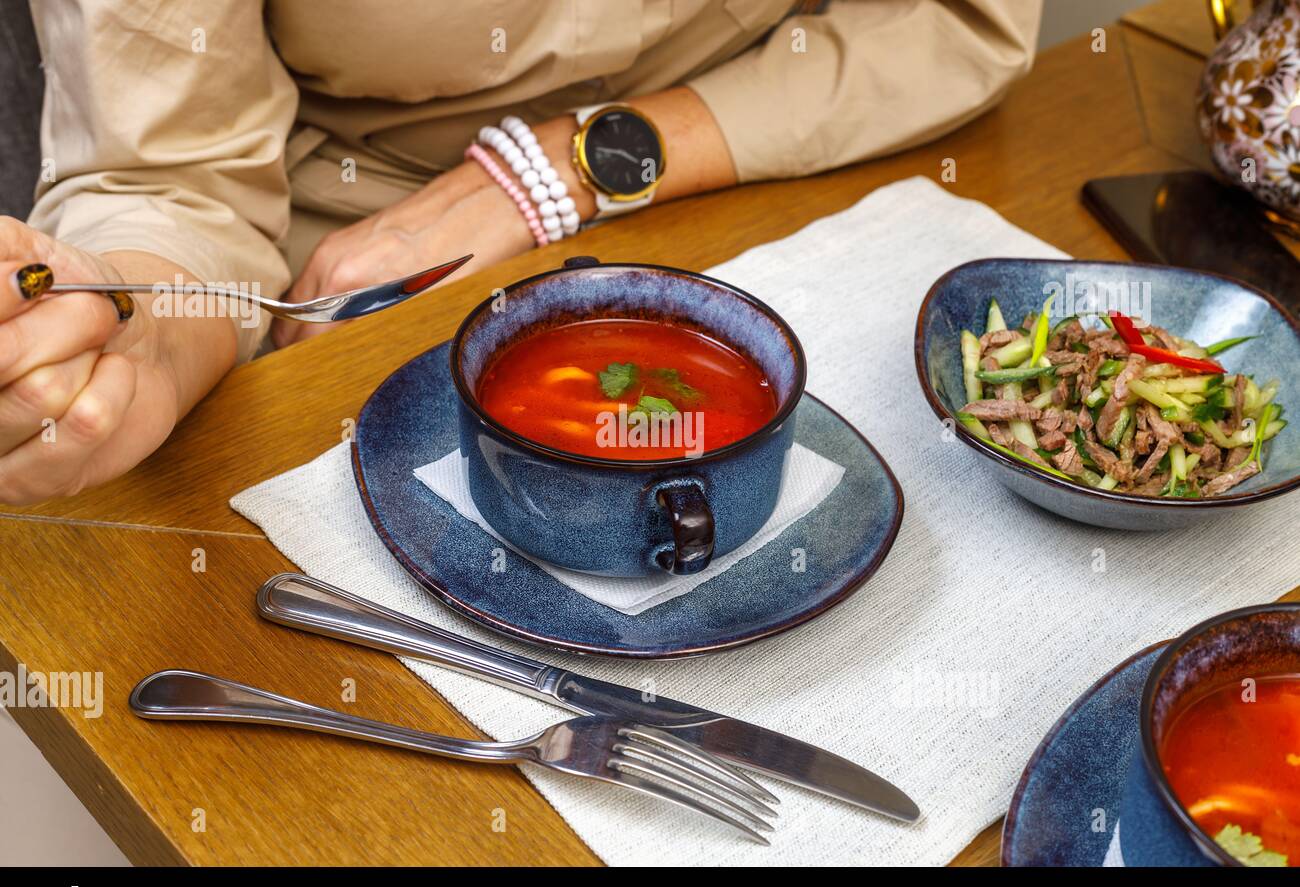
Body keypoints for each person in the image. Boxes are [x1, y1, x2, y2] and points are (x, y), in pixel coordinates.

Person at [2, 0, 1041, 505]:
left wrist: (568, 165)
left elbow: (950, 22)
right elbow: (179, 186)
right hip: (341, 268)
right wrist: (142, 341)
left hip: (774, 165)